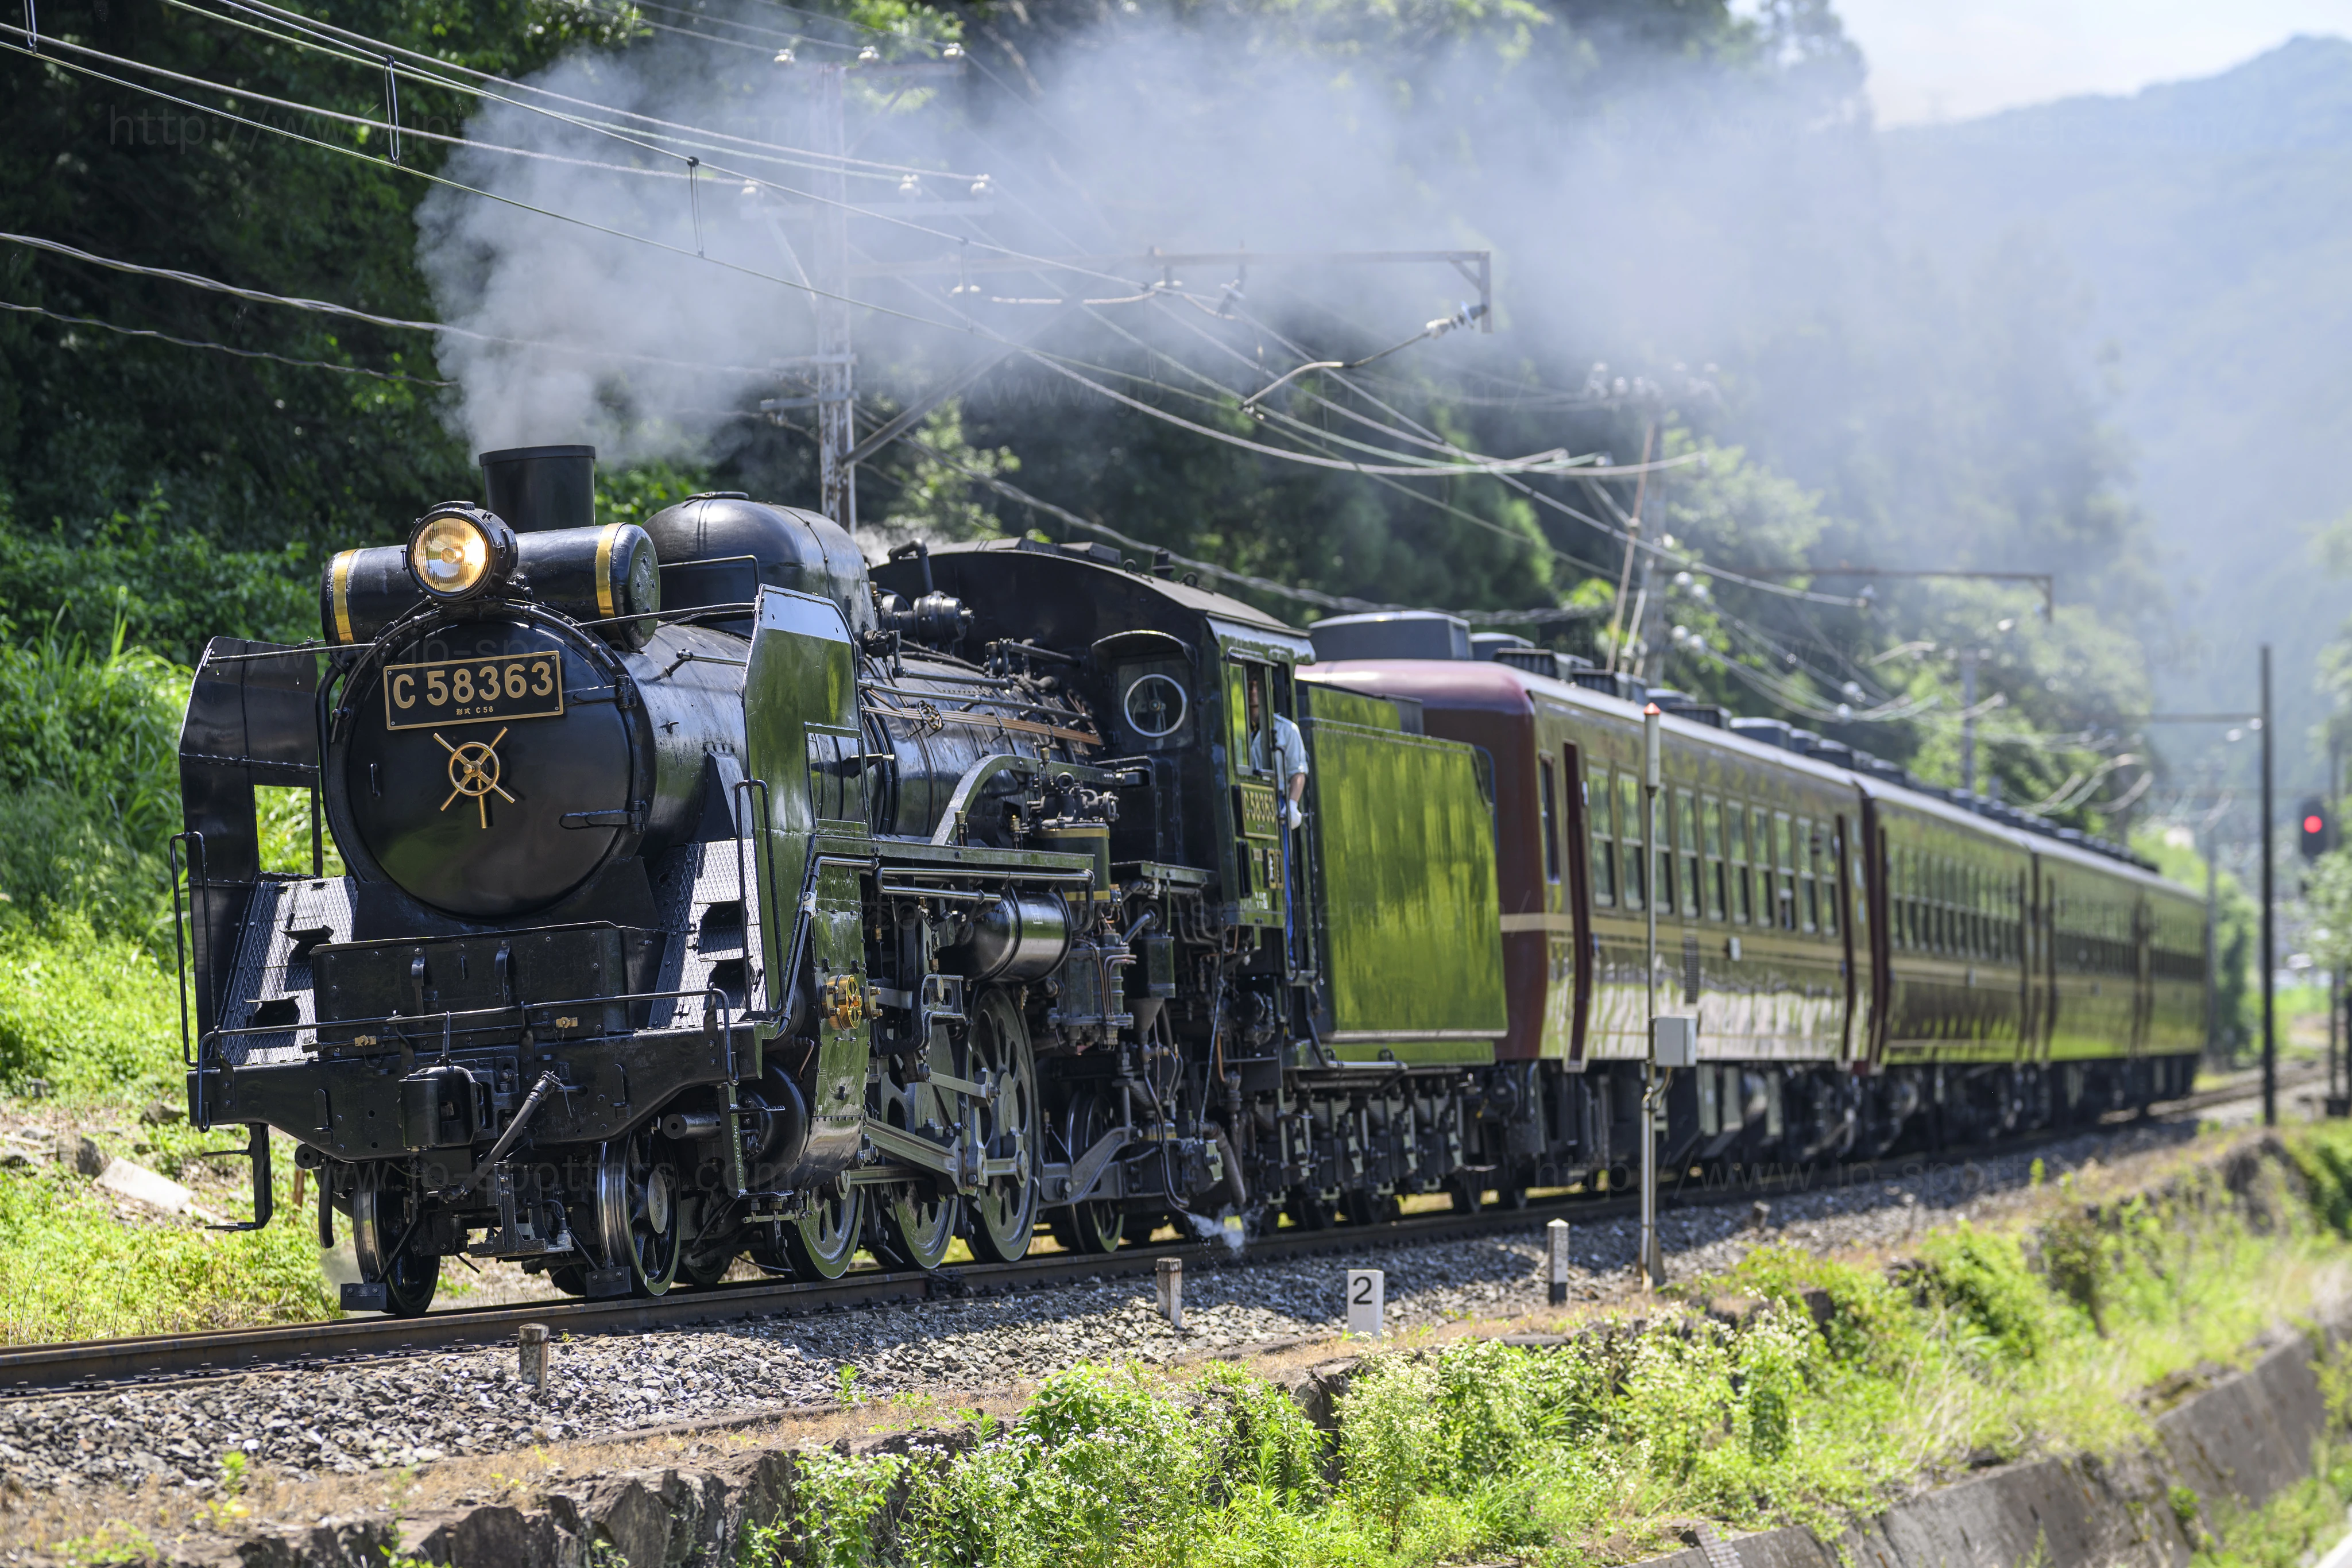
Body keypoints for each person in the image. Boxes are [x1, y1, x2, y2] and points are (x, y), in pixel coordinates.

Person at [1245, 675, 1309, 827]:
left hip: (1276, 800)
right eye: (1249, 686)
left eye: (1257, 686)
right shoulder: (1234, 728)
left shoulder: (1287, 729)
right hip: (1245, 798)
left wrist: (1292, 805)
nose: (1253, 691)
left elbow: (1298, 772)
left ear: (1270, 687)